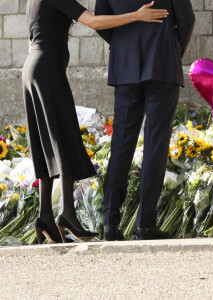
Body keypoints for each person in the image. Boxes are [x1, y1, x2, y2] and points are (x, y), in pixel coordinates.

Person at [22, 0, 168, 244]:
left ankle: (45, 215)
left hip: (34, 68)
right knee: (64, 136)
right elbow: (94, 21)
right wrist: (137, 15)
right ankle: (67, 214)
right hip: (47, 70)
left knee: (47, 143)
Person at [95, 0, 195, 241]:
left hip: (125, 62)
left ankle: (110, 222)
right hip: (162, 61)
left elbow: (101, 22)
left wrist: (122, 43)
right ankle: (146, 225)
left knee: (120, 143)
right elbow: (186, 20)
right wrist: (172, 49)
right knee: (155, 144)